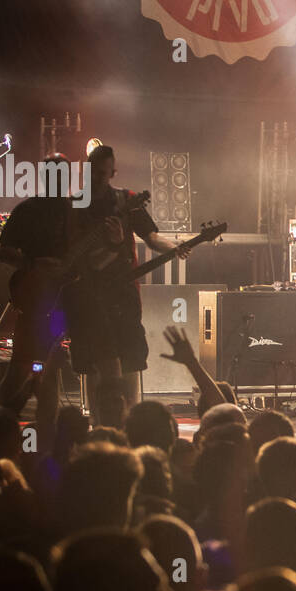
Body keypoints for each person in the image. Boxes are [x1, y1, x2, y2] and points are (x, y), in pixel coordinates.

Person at [63, 146, 191, 411]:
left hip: (122, 294)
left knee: (130, 357)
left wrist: (174, 247)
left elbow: (151, 237)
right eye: (93, 172)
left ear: (113, 173)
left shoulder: (126, 200)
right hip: (87, 295)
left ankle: (132, 419)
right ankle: (96, 421)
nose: (97, 179)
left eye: (103, 173)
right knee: (92, 364)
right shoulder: (74, 203)